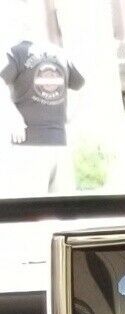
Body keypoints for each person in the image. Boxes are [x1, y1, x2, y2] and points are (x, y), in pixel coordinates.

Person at [2, 3, 84, 196]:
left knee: (30, 210)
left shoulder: (16, 53)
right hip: (58, 143)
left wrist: (13, 119)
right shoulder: (60, 55)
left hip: (29, 147)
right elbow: (81, 86)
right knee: (62, 212)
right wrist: (71, 115)